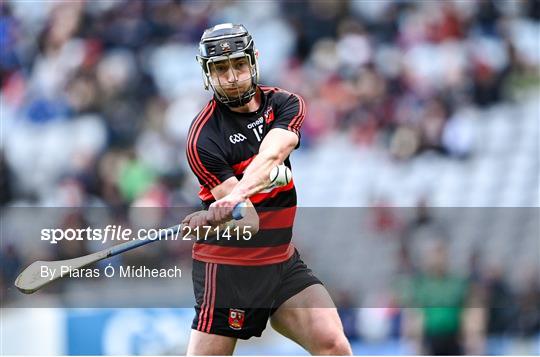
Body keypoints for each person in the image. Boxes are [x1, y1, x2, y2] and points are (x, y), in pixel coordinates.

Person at [181, 23, 352, 355]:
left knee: (334, 345)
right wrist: (222, 212)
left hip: (281, 261)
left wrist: (234, 196)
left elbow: (273, 152)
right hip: (230, 271)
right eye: (220, 68)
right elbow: (248, 223)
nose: (231, 76)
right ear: (207, 74)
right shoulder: (204, 138)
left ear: (253, 61)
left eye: (238, 65)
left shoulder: (285, 104)